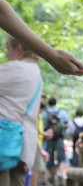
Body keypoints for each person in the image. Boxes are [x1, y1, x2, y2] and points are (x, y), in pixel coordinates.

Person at [0, 0, 83, 76]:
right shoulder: (34, 69)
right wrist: (51, 55)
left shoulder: (15, 68)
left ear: (18, 49)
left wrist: (52, 55)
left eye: (8, 49)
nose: (7, 54)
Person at [0, 35, 42, 185]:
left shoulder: (16, 68)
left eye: (7, 51)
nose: (7, 56)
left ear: (18, 49)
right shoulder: (36, 72)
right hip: (24, 145)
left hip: (4, 141)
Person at [42, 97, 69, 184]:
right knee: (61, 157)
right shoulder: (62, 112)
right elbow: (66, 124)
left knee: (49, 158)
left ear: (48, 103)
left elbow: (42, 125)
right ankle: (60, 173)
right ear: (56, 103)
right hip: (59, 138)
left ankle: (52, 177)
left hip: (48, 139)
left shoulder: (44, 112)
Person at [30, 101, 51, 186]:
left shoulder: (37, 116)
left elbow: (36, 130)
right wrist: (41, 150)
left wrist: (43, 134)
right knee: (38, 168)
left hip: (36, 143)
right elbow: (33, 133)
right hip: (34, 144)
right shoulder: (34, 115)